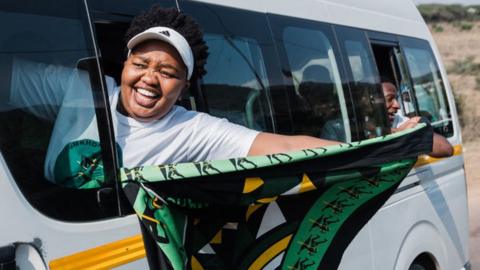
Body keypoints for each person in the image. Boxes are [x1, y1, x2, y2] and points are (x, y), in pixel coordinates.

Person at [3, 6, 339, 185]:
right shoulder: (81, 88)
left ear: (183, 89)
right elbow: (9, 78)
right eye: (141, 64)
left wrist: (383, 150)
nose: (149, 79)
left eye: (168, 73)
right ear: (124, 66)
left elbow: (286, 147)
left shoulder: (192, 130)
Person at [382, 78, 453, 158]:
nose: (397, 105)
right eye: (389, 99)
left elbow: (446, 149)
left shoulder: (400, 121)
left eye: (396, 98)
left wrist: (403, 133)